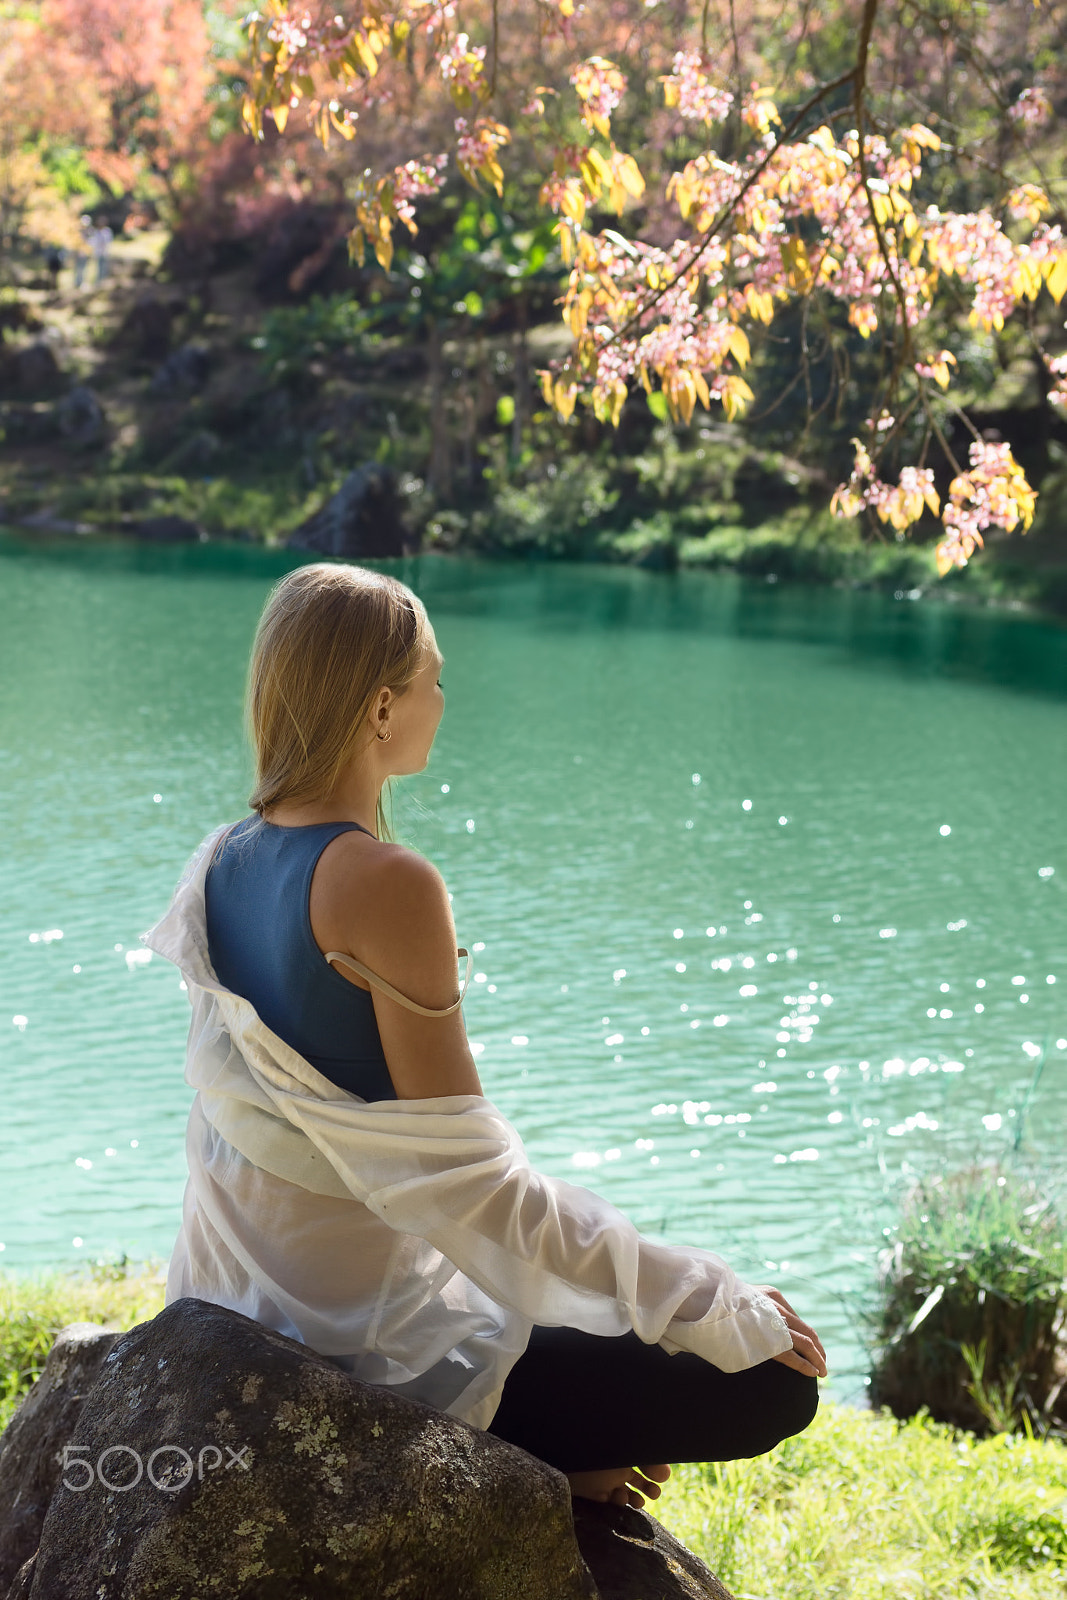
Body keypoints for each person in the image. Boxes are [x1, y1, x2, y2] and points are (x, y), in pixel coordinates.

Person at [144, 562, 825, 1513]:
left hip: (241, 1309)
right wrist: (704, 1296)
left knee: (616, 1326)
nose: (442, 701)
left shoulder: (218, 859)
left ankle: (550, 1466)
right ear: (381, 709)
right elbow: (479, 1192)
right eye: (433, 681)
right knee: (774, 1385)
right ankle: (534, 1471)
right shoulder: (385, 883)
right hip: (367, 1349)